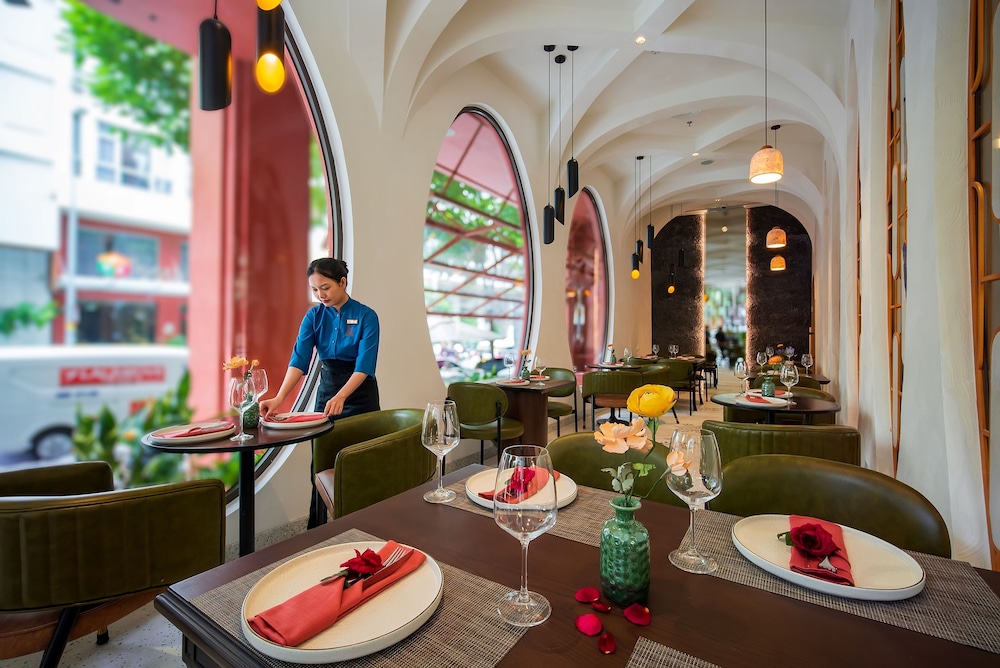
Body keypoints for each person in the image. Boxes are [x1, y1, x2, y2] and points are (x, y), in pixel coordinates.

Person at [260, 258, 380, 420]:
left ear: (342, 282)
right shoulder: (313, 316)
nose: (320, 295)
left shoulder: (366, 316)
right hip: (327, 393)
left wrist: (341, 396)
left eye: (325, 288)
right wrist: (279, 398)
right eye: (314, 289)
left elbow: (364, 365)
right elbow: (299, 360)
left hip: (360, 395)